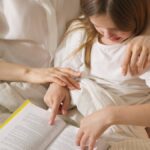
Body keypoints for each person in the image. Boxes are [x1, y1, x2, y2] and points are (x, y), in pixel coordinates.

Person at [44, 0, 150, 149]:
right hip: (71, 119)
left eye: (118, 28)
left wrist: (110, 116)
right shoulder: (81, 31)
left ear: (137, 17)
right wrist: (57, 84)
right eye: (98, 26)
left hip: (119, 127)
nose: (107, 34)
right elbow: (63, 70)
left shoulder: (142, 51)